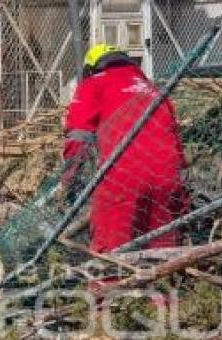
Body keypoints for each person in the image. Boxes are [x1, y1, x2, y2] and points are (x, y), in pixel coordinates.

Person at [63, 44, 188, 253]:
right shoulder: (154, 90)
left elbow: (78, 136)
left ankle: (112, 275)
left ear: (93, 68)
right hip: (167, 175)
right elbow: (175, 140)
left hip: (123, 175)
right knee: (163, 250)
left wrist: (70, 178)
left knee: (113, 253)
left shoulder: (94, 84)